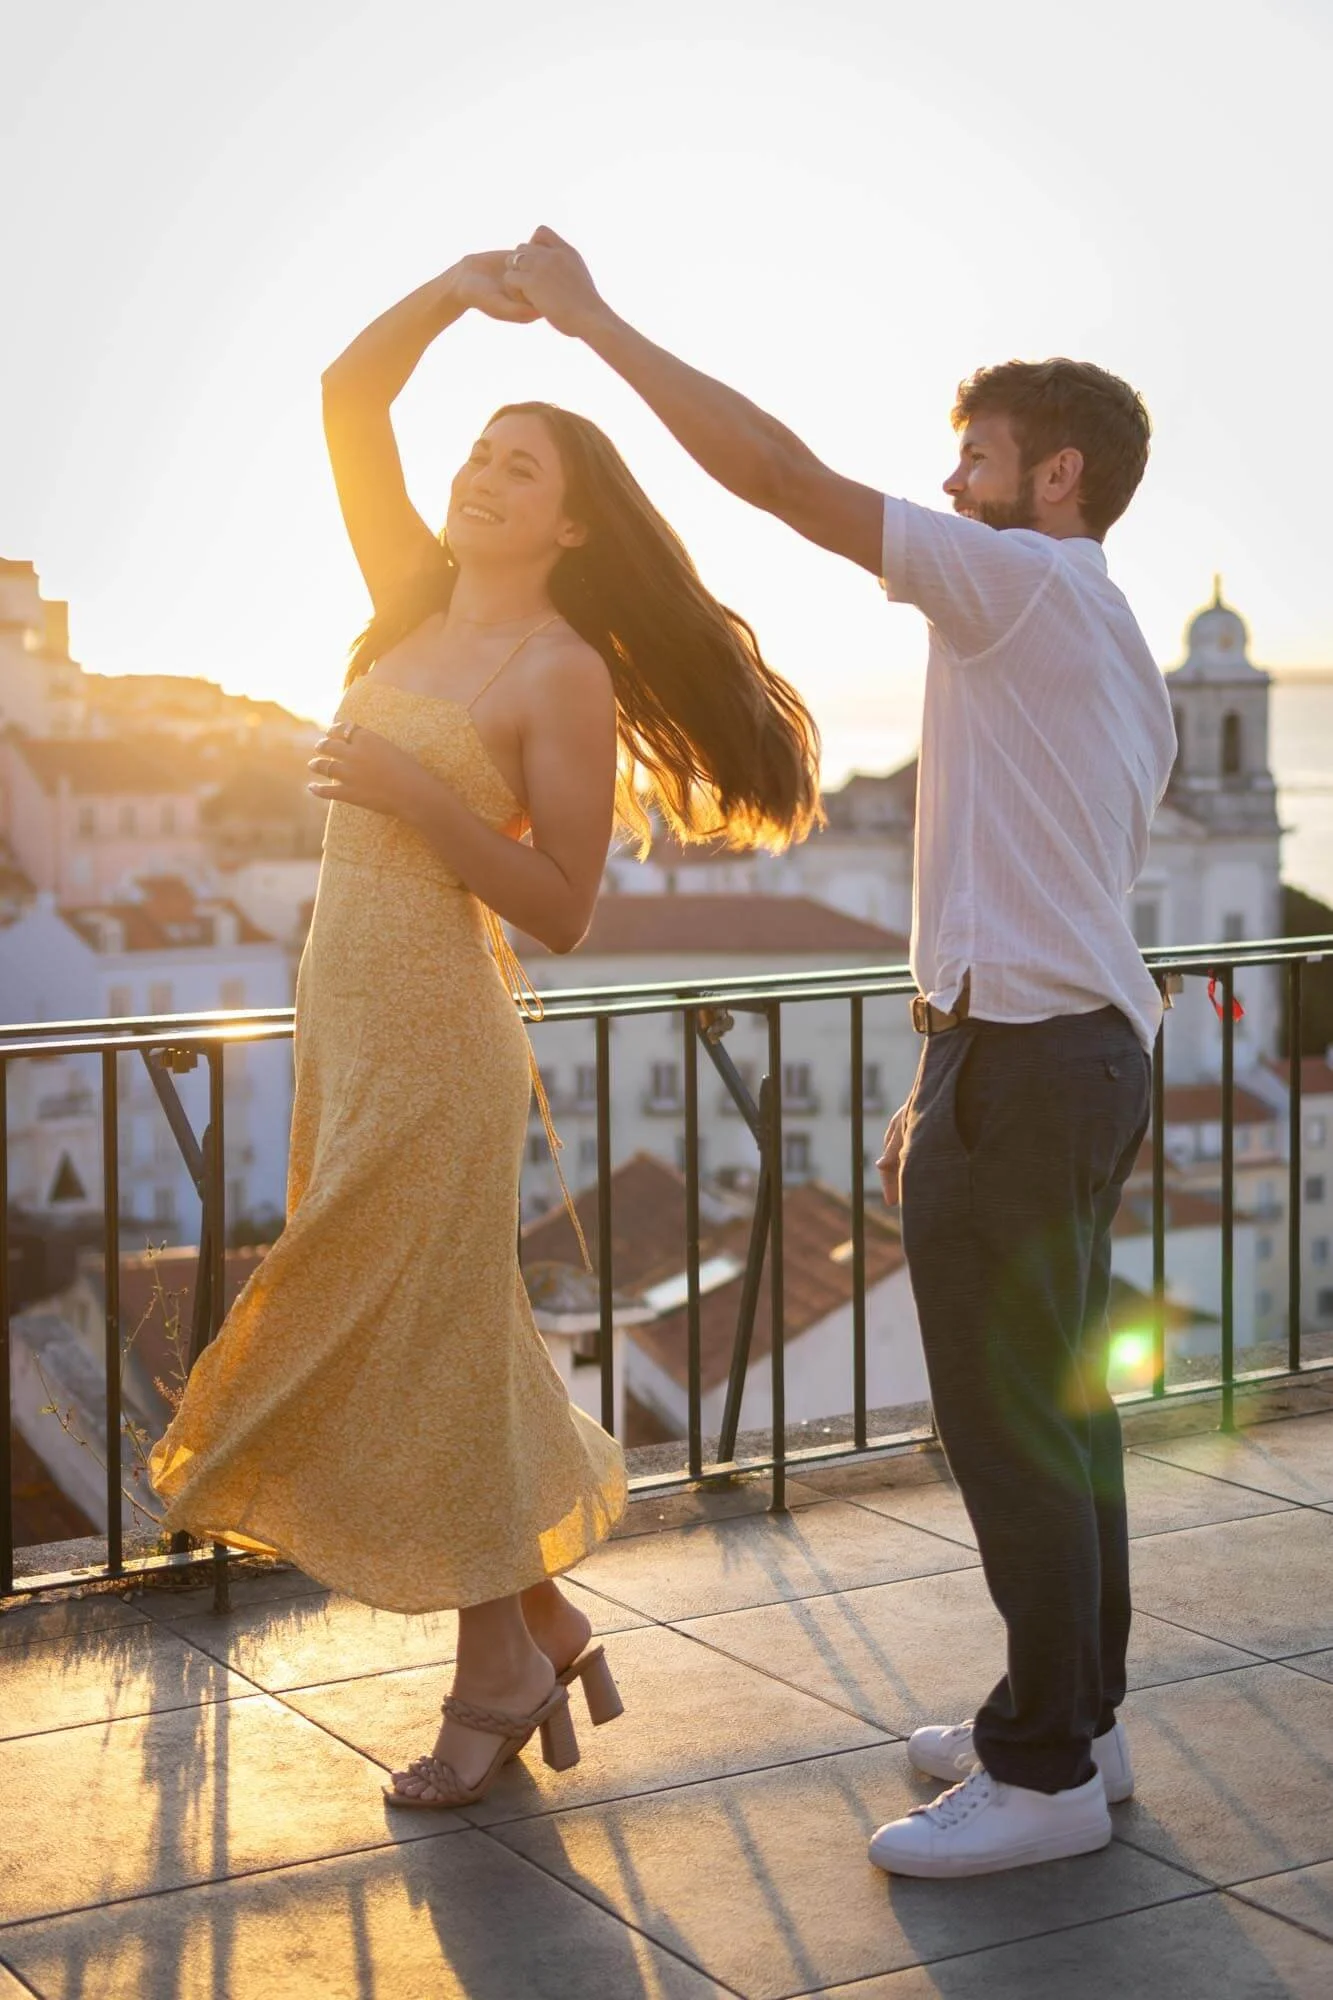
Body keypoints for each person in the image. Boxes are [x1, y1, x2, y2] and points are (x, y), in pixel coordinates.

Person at [503, 228, 1176, 1877]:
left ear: (1060, 476)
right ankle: (1071, 1721)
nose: (951, 486)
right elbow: (1023, 882)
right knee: (1065, 1416)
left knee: (1012, 1422)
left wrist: (595, 322)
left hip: (1028, 1067)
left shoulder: (1015, 582)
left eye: (980, 459)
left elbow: (777, 476)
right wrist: (938, 1069)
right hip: (1064, 1056)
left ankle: (1041, 1778)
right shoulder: (1114, 640)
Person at [149, 248, 821, 1811]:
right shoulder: (405, 605)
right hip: (345, 1023)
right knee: (452, 1334)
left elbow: (564, 904)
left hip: (445, 1033)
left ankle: (495, 1670)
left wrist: (420, 795)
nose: (479, 476)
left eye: (519, 466)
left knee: (405, 1328)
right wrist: (458, 285)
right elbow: (347, 394)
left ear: (574, 521)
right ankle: (535, 1611)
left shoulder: (561, 669)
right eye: (477, 454)